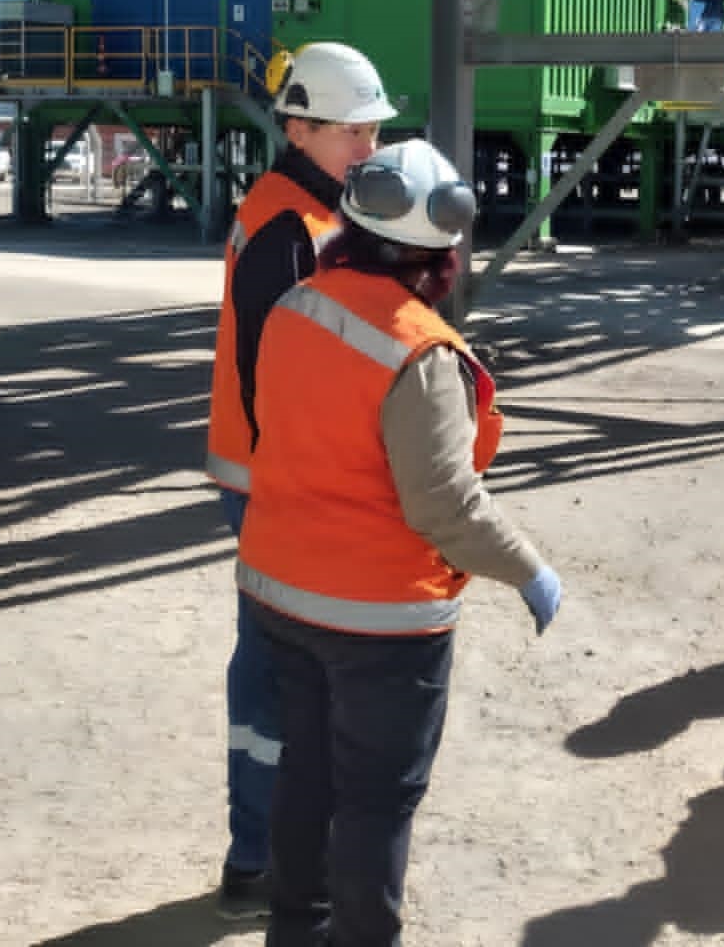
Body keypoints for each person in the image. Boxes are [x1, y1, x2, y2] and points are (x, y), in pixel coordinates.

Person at [238, 138, 562, 947]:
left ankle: (294, 929)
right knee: (376, 802)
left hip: (280, 590)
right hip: (379, 620)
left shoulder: (295, 307)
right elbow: (444, 505)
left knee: (307, 772)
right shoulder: (418, 350)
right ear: (444, 253)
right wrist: (528, 569)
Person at [205, 41, 396, 919]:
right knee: (278, 668)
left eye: (372, 130)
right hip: (271, 479)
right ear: (298, 128)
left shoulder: (320, 212)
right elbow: (267, 374)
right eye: (351, 131)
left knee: (280, 662)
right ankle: (259, 858)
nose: (367, 145)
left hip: (276, 474)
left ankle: (267, 853)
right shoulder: (287, 225)